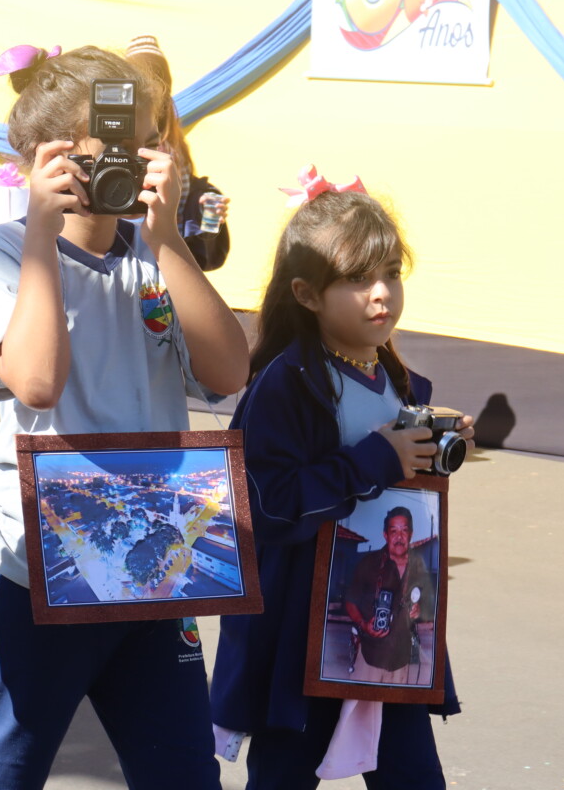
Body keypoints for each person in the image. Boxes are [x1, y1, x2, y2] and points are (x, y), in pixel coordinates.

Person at [0, 45, 249, 790]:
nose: (127, 163)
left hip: (153, 571)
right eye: (108, 147)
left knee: (185, 776)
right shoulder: (2, 251)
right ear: (49, 157)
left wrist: (167, 235)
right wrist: (41, 233)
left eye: (144, 143)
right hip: (34, 571)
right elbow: (37, 382)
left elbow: (228, 372)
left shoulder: (156, 256)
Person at [208, 170, 474, 789]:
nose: (382, 294)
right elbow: (265, 506)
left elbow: (387, 485)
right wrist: (377, 459)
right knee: (284, 775)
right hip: (303, 636)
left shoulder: (395, 378)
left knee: (413, 777)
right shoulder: (285, 383)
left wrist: (428, 448)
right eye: (358, 279)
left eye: (391, 274)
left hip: (392, 629)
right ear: (306, 294)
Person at [125, 34, 230, 271]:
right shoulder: (122, 138)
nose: (153, 87)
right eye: (144, 78)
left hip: (170, 251)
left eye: (158, 78)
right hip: (133, 253)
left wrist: (203, 200)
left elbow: (183, 188)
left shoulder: (172, 137)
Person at [343, 506, 435, 683]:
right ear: (385, 535)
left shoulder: (419, 566)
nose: (399, 537)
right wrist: (363, 624)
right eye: (394, 531)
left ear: (411, 534)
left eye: (404, 531)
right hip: (369, 656)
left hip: (402, 660)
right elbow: (350, 602)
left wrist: (419, 610)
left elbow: (428, 605)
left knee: (395, 702)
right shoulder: (368, 563)